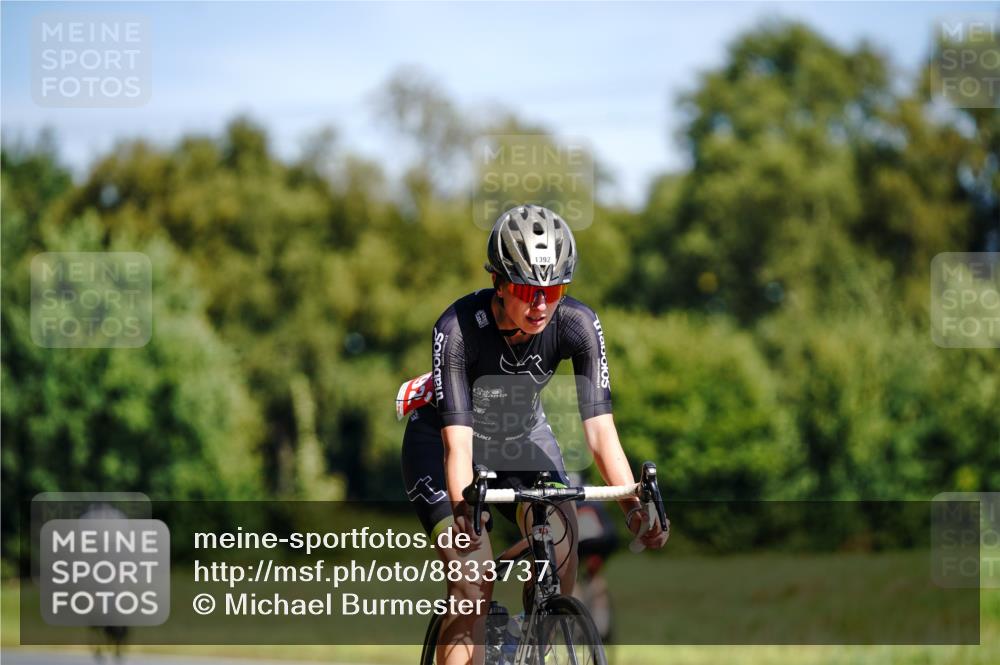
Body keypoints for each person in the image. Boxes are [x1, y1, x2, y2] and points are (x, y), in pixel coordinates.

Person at [399, 205, 667, 665]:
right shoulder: (457, 329)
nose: (541, 304)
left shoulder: (577, 324)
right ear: (499, 283)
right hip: (443, 441)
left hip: (521, 439)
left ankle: (530, 648)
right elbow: (457, 443)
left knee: (562, 549)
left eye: (554, 289)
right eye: (527, 289)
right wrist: (465, 510)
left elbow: (601, 433)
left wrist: (633, 506)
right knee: (472, 582)